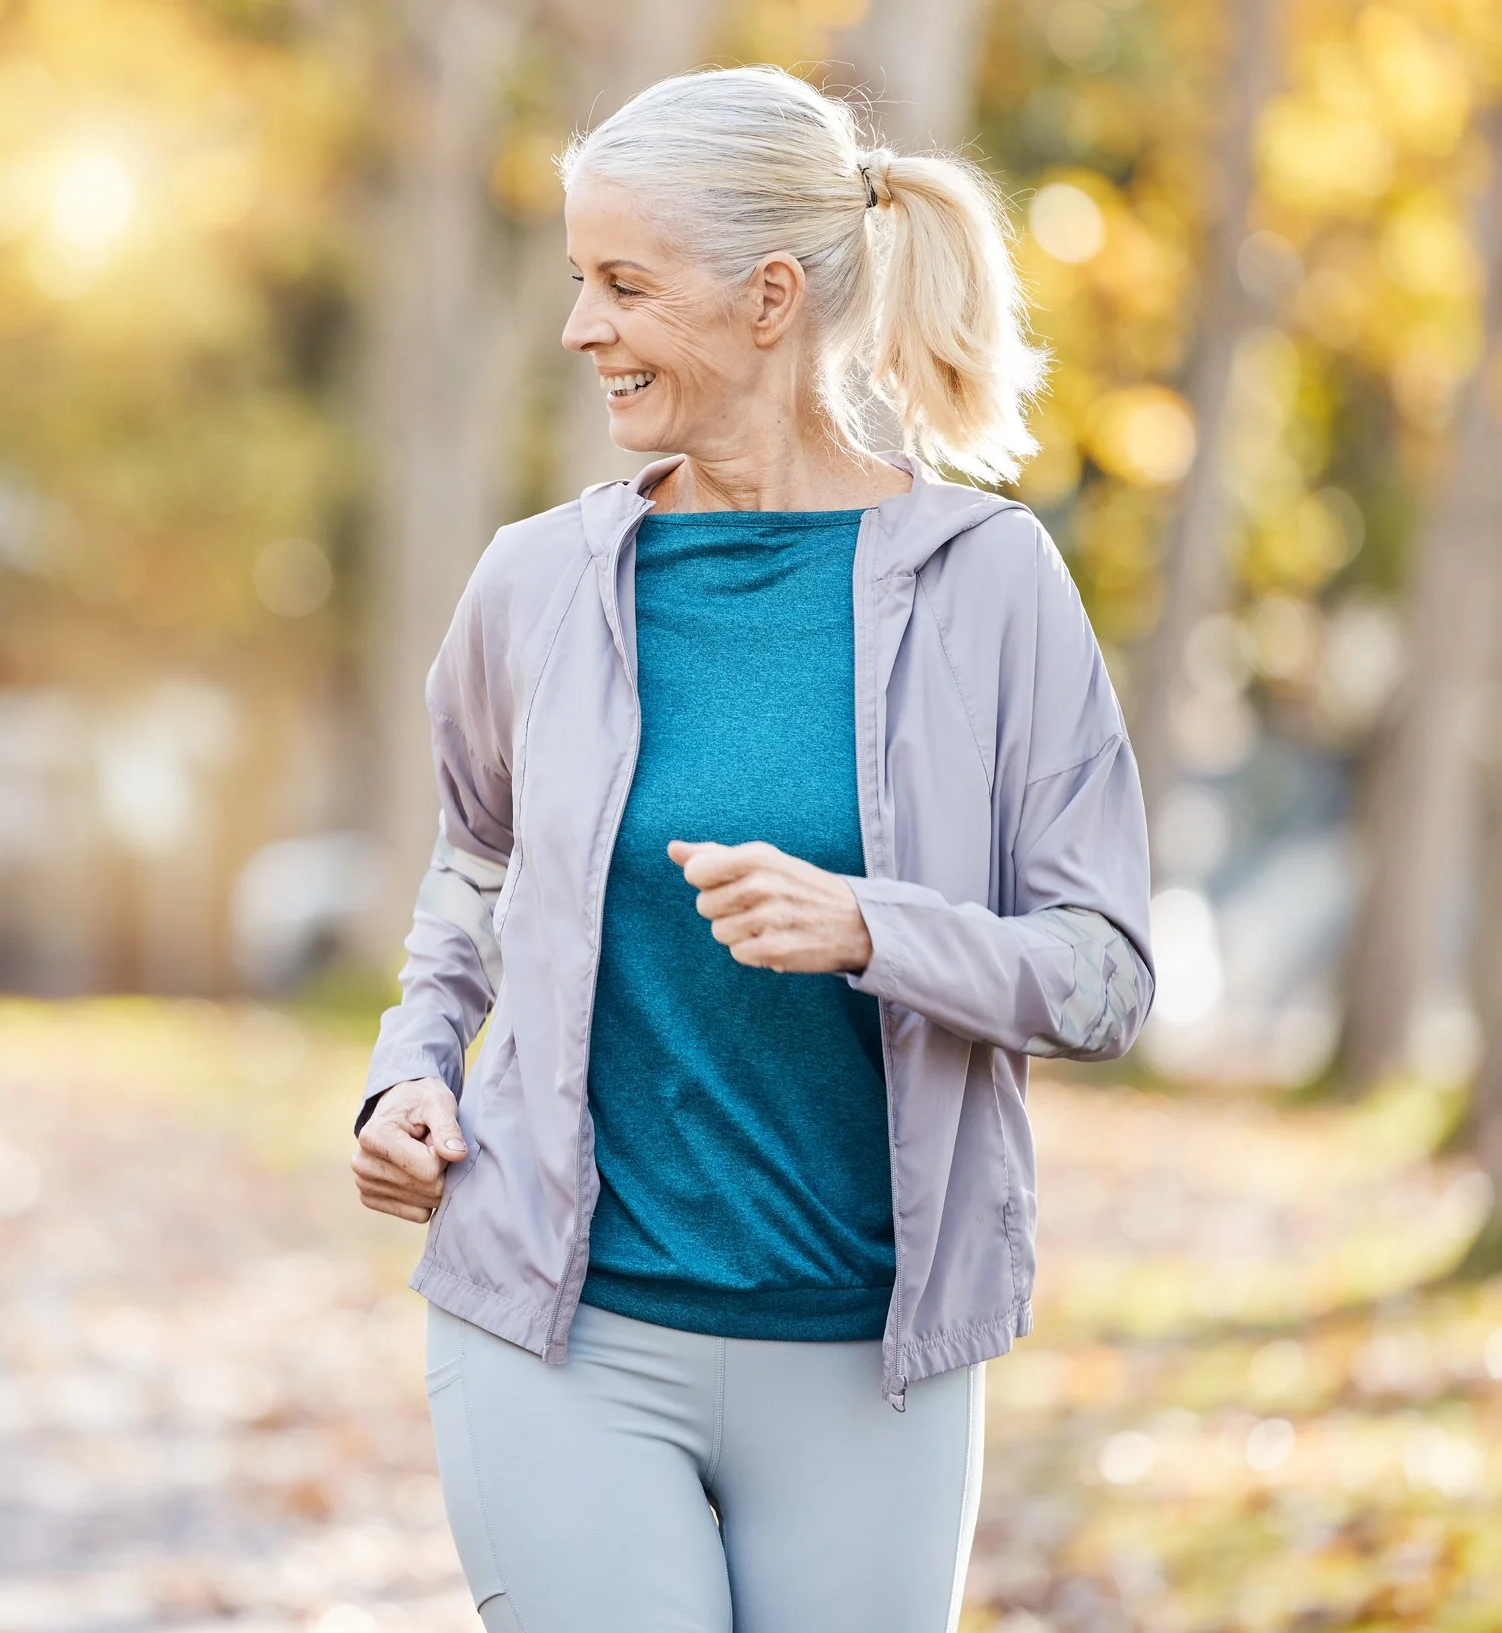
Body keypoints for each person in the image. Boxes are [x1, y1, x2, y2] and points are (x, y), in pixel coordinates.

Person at [351, 66, 1153, 1632]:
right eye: (580, 282)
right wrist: (409, 1072)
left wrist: (876, 928)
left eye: (625, 286)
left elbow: (1108, 975)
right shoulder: (535, 585)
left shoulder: (993, 585)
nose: (582, 327)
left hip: (874, 1358)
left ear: (771, 297)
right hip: (561, 1335)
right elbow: (473, 876)